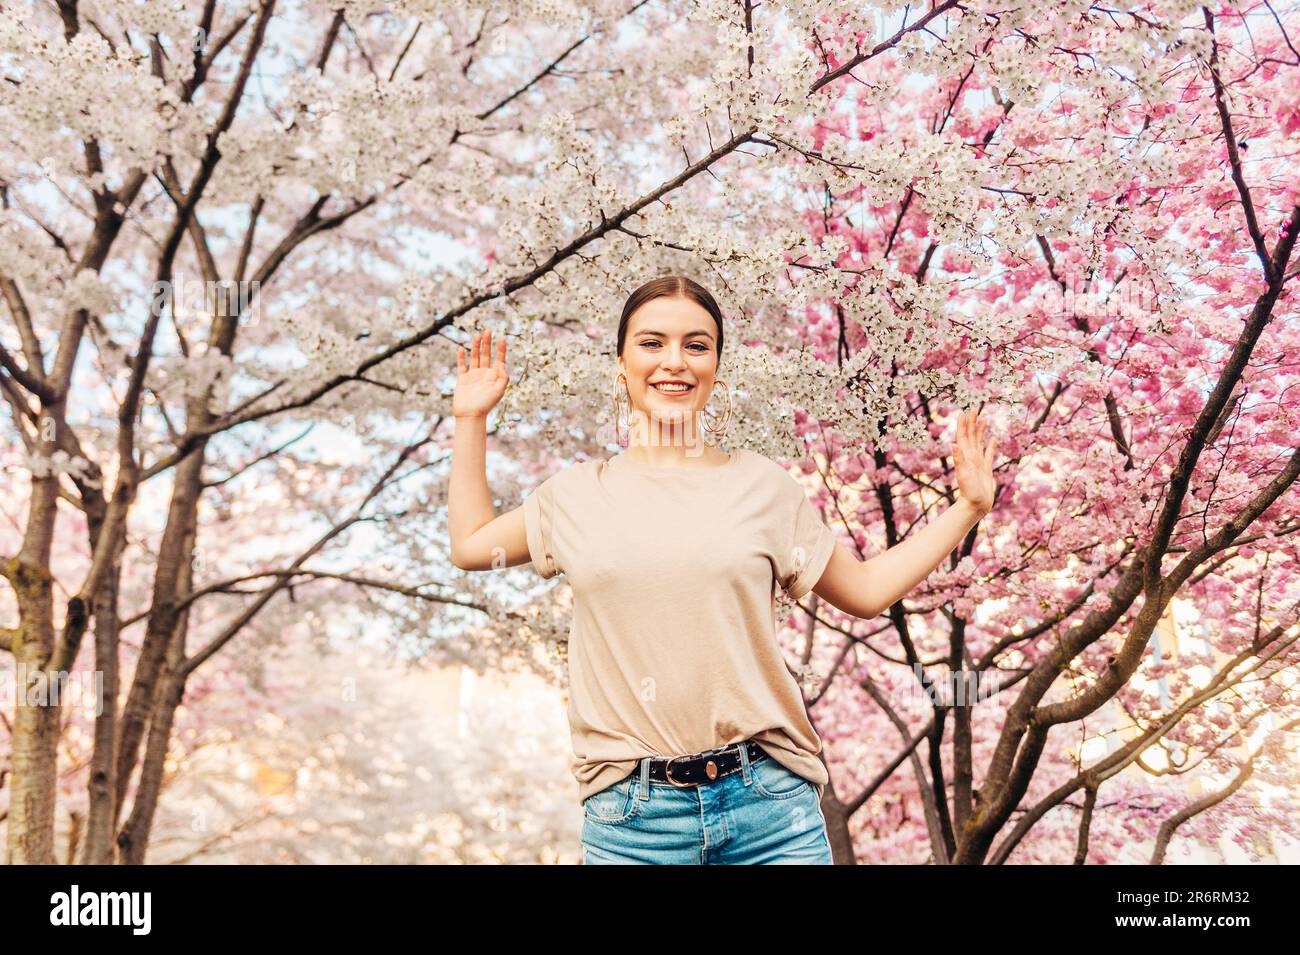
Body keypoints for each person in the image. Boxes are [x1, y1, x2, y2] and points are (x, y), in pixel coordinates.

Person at [448, 275, 999, 864]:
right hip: (632, 821)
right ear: (621, 362)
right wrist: (470, 418)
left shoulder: (761, 487)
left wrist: (967, 508)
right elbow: (473, 545)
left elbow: (863, 591)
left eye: (696, 345)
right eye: (652, 343)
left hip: (770, 810)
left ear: (716, 364)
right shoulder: (575, 497)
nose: (674, 363)